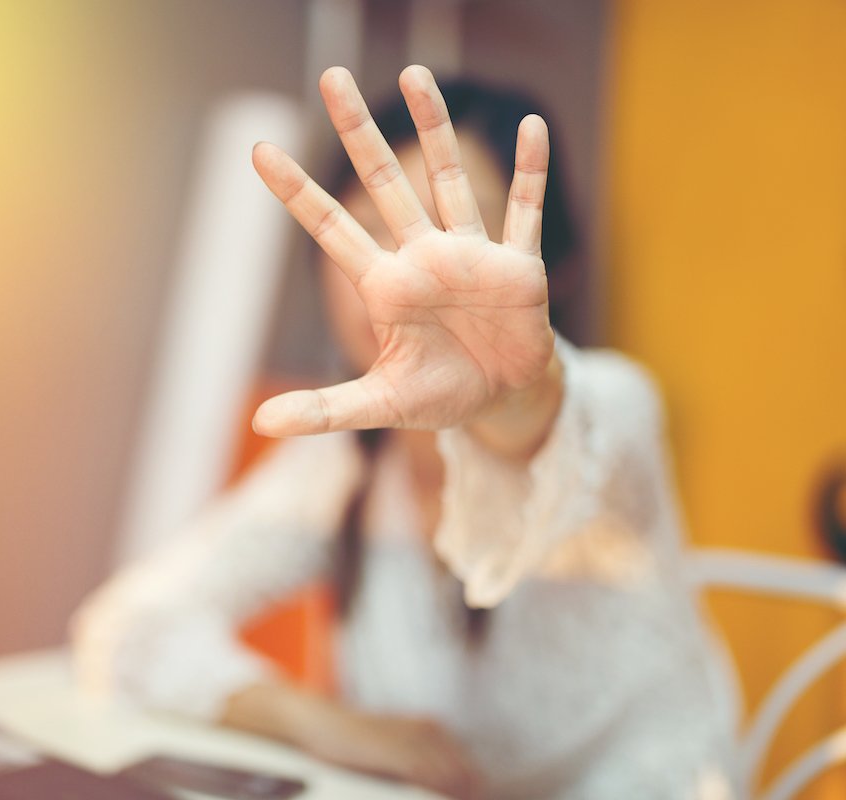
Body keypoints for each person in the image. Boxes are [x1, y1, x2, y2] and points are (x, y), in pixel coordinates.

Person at [72, 65, 738, 799]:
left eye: (461, 231)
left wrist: (507, 392)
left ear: (553, 266)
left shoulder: (616, 404)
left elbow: (546, 429)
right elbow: (129, 627)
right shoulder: (342, 465)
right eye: (374, 227)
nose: (410, 267)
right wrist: (315, 719)